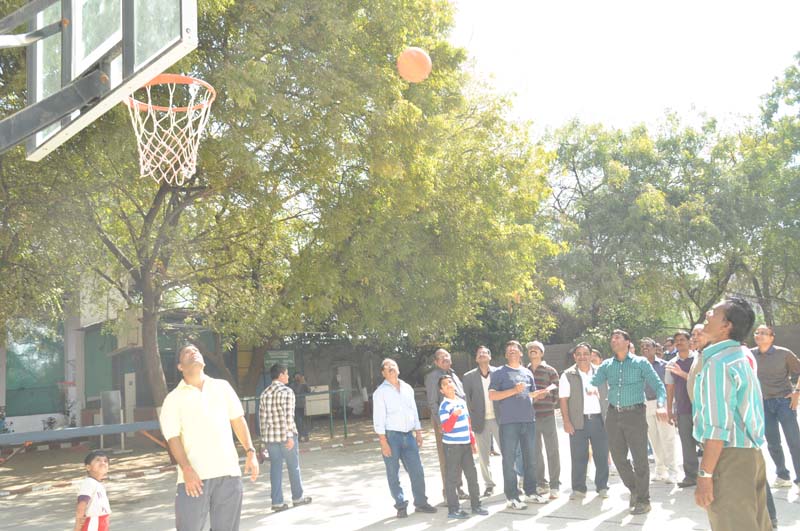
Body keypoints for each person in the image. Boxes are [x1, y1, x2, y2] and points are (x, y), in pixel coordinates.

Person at [159, 344, 259, 531]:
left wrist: (250, 452)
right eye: (187, 352)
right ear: (180, 366)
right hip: (193, 479)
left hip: (228, 474)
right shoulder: (173, 399)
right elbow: (173, 438)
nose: (193, 352)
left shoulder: (222, 387)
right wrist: (187, 469)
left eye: (196, 351)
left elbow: (238, 420)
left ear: (203, 361)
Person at [693, 297, 770, 531]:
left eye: (714, 312)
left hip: (729, 458)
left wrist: (705, 475)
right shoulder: (738, 357)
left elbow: (718, 428)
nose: (708, 314)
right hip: (750, 453)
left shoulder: (718, 363)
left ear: (726, 326)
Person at [591, 330, 668, 515]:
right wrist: (590, 387)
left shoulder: (640, 363)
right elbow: (593, 381)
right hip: (613, 415)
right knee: (618, 459)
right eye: (612, 338)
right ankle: (634, 489)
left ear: (627, 342)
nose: (613, 340)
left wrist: (661, 405)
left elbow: (659, 387)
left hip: (635, 414)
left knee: (640, 458)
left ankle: (644, 500)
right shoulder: (607, 365)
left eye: (617, 337)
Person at [373, 358, 438, 518]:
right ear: (383, 373)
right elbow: (378, 418)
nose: (391, 368)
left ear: (398, 369)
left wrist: (418, 431)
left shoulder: (407, 388)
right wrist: (383, 441)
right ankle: (400, 505)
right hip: (391, 437)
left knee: (417, 471)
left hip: (409, 436)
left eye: (393, 366)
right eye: (387, 367)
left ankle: (421, 503)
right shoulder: (380, 392)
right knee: (393, 473)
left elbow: (413, 410)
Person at [489, 340, 549, 509]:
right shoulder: (499, 373)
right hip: (509, 422)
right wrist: (513, 390)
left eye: (515, 350)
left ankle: (530, 492)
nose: (512, 352)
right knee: (509, 461)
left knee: (530, 459)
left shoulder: (527, 372)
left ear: (521, 353)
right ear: (506, 355)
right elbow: (492, 396)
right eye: (509, 350)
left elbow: (529, 394)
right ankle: (512, 497)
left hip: (528, 420)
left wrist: (538, 395)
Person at [559, 343, 609, 500]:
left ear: (591, 355)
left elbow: (610, 392)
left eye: (585, 353)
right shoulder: (568, 375)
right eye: (579, 354)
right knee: (578, 457)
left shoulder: (601, 372)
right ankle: (579, 489)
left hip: (599, 420)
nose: (582, 357)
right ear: (574, 356)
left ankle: (602, 487)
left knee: (601, 456)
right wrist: (566, 421)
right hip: (578, 421)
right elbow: (563, 400)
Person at [752, 324, 800, 488]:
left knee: (794, 441)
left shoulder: (784, 353)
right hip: (763, 404)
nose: (759, 335)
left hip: (784, 402)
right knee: (773, 443)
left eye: (764, 333)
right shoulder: (750, 355)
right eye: (757, 332)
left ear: (772, 337)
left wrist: (797, 392)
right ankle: (782, 476)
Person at [259, 363, 312, 511]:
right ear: (281, 375)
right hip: (286, 436)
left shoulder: (264, 393)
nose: (288, 376)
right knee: (293, 467)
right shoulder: (287, 392)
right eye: (287, 373)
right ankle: (297, 497)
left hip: (270, 438)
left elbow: (262, 419)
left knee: (275, 468)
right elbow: (289, 416)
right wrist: (289, 436)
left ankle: (277, 502)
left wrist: (263, 442)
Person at [438, 375, 488, 519]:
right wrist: (453, 415)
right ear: (441, 390)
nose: (448, 385)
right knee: (452, 478)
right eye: (444, 384)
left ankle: (476, 505)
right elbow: (446, 428)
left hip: (465, 444)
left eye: (450, 382)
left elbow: (468, 423)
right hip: (452, 446)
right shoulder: (444, 406)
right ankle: (453, 510)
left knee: (472, 475)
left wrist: (472, 441)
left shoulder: (461, 401)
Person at [424, 348, 467, 499]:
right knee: (447, 458)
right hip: (445, 422)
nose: (445, 359)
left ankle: (458, 488)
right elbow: (432, 402)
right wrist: (441, 423)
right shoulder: (433, 377)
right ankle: (449, 493)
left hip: (460, 422)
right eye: (441, 357)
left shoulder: (454, 375)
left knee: (460, 457)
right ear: (436, 362)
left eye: (447, 356)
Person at [462, 345, 499, 497]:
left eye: (485, 352)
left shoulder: (499, 373)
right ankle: (489, 485)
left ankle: (515, 481)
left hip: (499, 419)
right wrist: (470, 420)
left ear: (490, 357)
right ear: (476, 358)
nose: (482, 354)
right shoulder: (468, 377)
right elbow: (467, 400)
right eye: (479, 353)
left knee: (509, 452)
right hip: (479, 421)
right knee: (483, 457)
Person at [526, 341, 561, 499]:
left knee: (552, 451)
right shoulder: (524, 371)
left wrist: (547, 396)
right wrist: (532, 398)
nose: (533, 350)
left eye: (536, 348)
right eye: (530, 349)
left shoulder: (550, 370)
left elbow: (556, 392)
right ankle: (541, 483)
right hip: (530, 418)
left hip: (547, 416)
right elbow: (522, 394)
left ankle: (555, 485)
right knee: (535, 453)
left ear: (542, 353)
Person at [640, 337, 678, 483]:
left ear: (655, 348)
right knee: (654, 439)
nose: (645, 348)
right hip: (646, 404)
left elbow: (670, 387)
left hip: (662, 404)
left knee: (667, 439)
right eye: (642, 346)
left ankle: (673, 471)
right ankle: (660, 470)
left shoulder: (664, 365)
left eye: (648, 346)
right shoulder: (639, 366)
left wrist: (669, 407)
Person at [665, 330, 698, 488]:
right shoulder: (671, 364)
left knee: (706, 443)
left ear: (689, 341)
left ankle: (713, 475)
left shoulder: (698, 359)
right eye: (676, 340)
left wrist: (683, 374)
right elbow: (670, 387)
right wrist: (669, 409)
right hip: (683, 409)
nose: (679, 343)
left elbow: (702, 381)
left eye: (682, 339)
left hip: (701, 408)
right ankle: (691, 476)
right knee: (687, 444)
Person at [74, 450, 111, 531]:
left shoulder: (97, 483)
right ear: (88, 467)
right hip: (93, 522)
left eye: (105, 461)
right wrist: (77, 527)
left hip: (101, 522)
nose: (103, 463)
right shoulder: (88, 482)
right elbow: (82, 504)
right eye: (98, 460)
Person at [289, 373, 311, 442]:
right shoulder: (292, 385)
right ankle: (301, 436)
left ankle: (304, 435)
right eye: (297, 377)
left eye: (299, 377)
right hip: (295, 406)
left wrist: (304, 383)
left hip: (302, 405)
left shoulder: (302, 384)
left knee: (303, 421)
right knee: (298, 421)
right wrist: (301, 383)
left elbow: (309, 390)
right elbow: (297, 391)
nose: (298, 378)